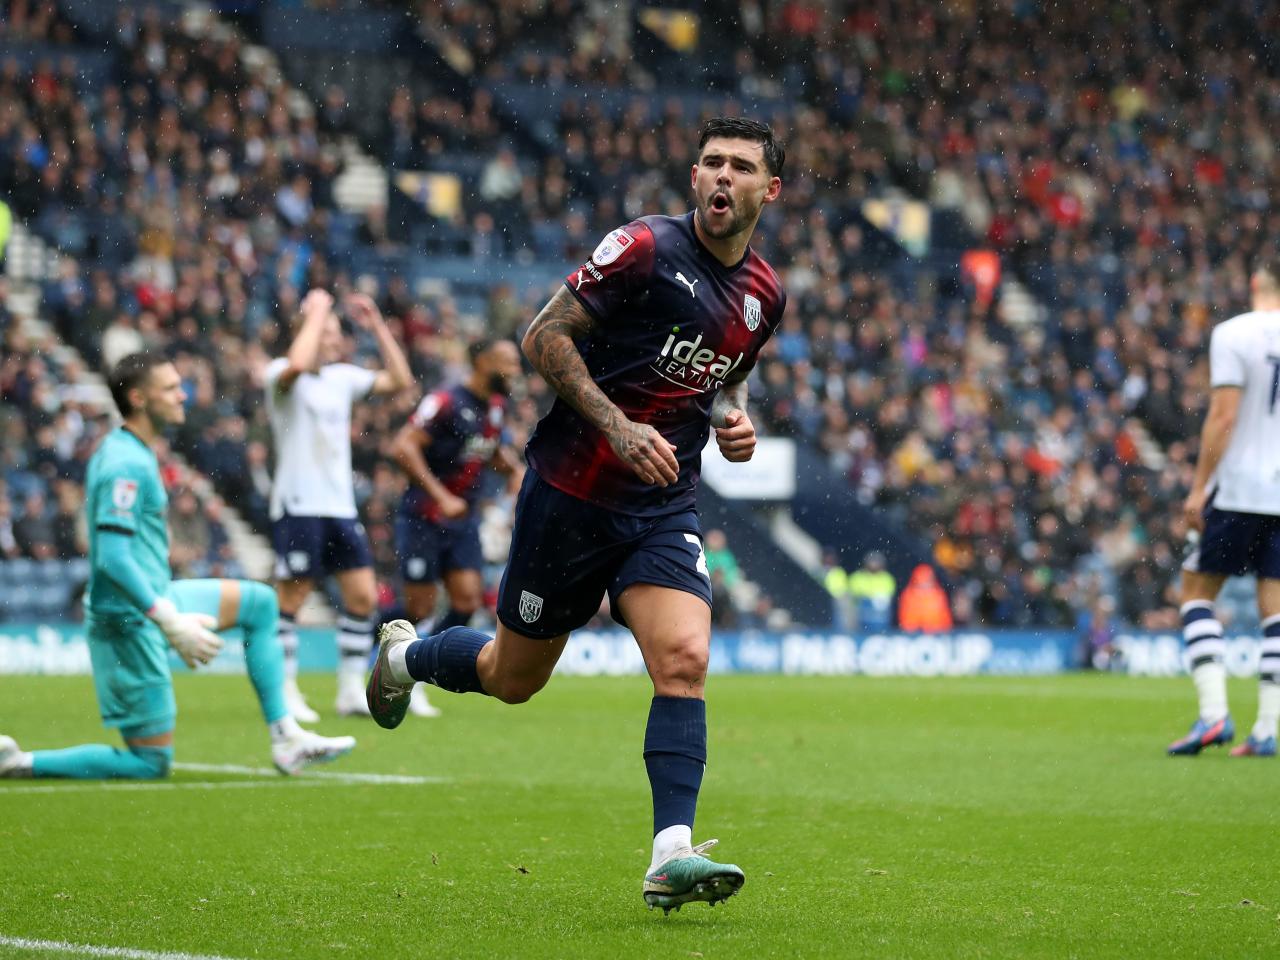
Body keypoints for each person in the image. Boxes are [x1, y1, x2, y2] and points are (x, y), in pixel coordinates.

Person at [366, 117, 786, 912]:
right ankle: (406, 659)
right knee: (511, 677)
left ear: (771, 189)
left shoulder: (766, 294)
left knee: (685, 660)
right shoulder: (643, 248)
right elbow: (543, 335)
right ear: (694, 177)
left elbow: (727, 376)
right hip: (569, 498)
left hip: (663, 505)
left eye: (740, 167)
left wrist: (734, 418)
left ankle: (671, 853)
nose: (721, 178)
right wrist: (617, 426)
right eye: (710, 163)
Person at [0, 352, 355, 780]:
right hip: (127, 620)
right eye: (169, 388)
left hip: (154, 597)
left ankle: (287, 738)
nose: (181, 394)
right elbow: (112, 558)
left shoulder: (131, 449)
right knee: (150, 762)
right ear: (139, 398)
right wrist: (169, 621)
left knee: (261, 604)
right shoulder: (124, 463)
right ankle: (19, 763)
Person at [265, 289, 414, 721]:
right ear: (306, 332)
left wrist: (378, 327)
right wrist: (316, 311)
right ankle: (286, 688)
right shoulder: (281, 375)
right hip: (298, 503)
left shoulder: (341, 379)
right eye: (326, 332)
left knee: (363, 597)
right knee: (292, 596)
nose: (335, 339)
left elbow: (400, 380)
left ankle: (349, 690)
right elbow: (297, 363)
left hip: (339, 507)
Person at [1169, 261, 1280, 758]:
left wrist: (1198, 488)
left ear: (1256, 282)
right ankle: (1267, 728)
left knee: (1195, 595)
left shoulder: (1234, 333)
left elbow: (1224, 414)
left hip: (1237, 490)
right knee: (1275, 610)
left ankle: (1214, 716)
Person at [389, 337, 524, 718]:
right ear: (481, 362)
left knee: (466, 601)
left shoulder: (496, 406)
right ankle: (390, 658)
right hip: (423, 518)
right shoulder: (446, 401)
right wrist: (440, 494)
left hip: (463, 522)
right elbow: (403, 446)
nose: (515, 371)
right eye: (507, 362)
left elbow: (490, 450)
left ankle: (414, 667)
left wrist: (515, 471)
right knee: (419, 607)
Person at [897, 564, 952, 633]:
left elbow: (945, 617)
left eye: (928, 581)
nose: (925, 584)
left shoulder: (938, 594)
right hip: (914, 635)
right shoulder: (909, 595)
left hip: (937, 634)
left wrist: (942, 630)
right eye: (923, 581)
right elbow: (906, 619)